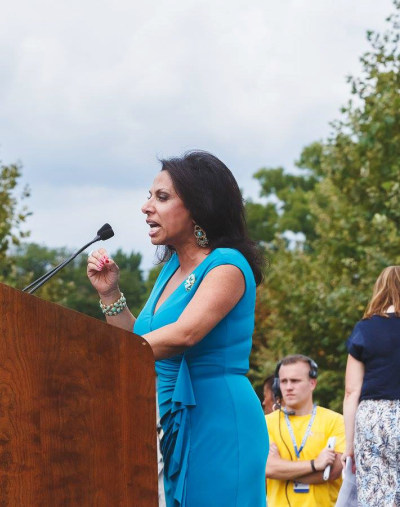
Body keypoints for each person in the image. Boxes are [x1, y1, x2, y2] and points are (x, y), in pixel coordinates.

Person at [87, 150, 268, 506]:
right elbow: (140, 343)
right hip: (172, 417)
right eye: (149, 195)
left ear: (199, 207)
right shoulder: (171, 269)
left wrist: (99, 357)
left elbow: (185, 334)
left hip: (218, 418)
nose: (146, 206)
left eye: (162, 197)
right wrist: (110, 293)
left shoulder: (227, 265)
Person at [343, 266, 400, 506]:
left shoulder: (365, 329)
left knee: (378, 495)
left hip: (374, 418)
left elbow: (351, 391)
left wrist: (349, 446)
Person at [265, 354, 345, 506]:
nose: (288, 387)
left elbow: (332, 473)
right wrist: (315, 464)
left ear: (312, 383)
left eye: (295, 381)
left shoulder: (336, 421)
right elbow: (267, 468)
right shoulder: (266, 423)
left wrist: (282, 469)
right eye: (283, 381)